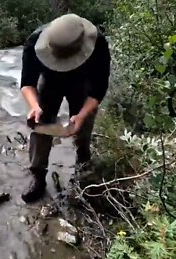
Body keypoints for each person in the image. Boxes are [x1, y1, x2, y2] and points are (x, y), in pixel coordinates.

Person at [19, 13, 111, 203]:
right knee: (40, 123)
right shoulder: (34, 42)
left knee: (84, 125)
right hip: (50, 83)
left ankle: (83, 162)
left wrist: (81, 115)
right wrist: (34, 106)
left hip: (82, 82)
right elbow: (27, 83)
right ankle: (37, 176)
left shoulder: (98, 44)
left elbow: (99, 89)